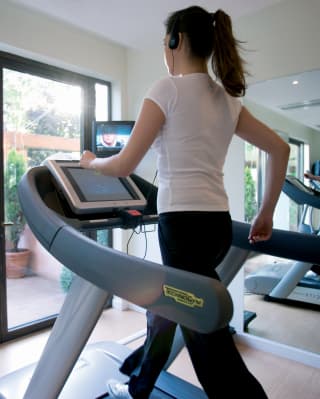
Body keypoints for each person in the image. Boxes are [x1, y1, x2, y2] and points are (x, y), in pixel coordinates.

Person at [80, 6, 290, 399]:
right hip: (217, 227)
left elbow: (125, 162)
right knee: (167, 307)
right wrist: (266, 213)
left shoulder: (166, 88)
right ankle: (138, 384)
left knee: (206, 341)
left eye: (165, 42)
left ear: (175, 41)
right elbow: (279, 150)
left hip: (181, 228)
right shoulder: (227, 100)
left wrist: (92, 163)